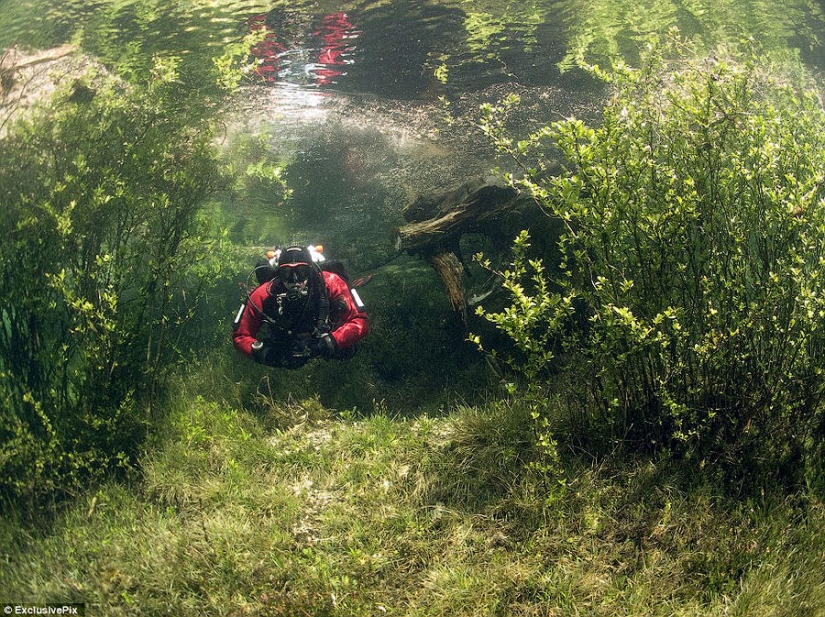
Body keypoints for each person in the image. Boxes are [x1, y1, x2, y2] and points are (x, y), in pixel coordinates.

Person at [233, 245, 368, 369]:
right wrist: (268, 355)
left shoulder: (332, 283)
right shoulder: (263, 294)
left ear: (310, 271)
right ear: (279, 274)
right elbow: (240, 336)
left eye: (302, 271)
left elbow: (360, 321)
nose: (295, 279)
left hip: (326, 333)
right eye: (287, 273)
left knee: (348, 352)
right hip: (285, 343)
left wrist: (328, 343)